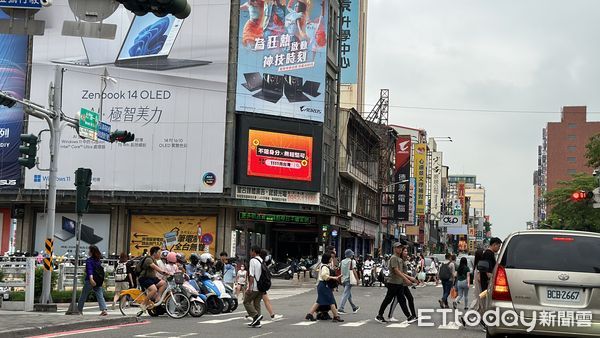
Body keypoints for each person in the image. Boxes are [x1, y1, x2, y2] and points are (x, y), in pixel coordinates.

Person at [377, 244, 418, 323]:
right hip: (393, 283)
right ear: (394, 248)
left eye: (401, 248)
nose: (400, 249)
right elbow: (396, 271)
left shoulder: (398, 258)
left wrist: (409, 278)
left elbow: (400, 272)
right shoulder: (394, 258)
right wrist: (406, 279)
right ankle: (380, 315)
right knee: (388, 299)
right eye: (398, 248)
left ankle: (409, 317)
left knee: (402, 300)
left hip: (398, 283)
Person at [305, 252, 344, 322]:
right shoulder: (325, 267)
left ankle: (310, 314)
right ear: (327, 259)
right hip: (324, 285)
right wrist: (334, 278)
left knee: (319, 301)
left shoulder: (324, 266)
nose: (331, 259)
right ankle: (336, 316)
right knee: (331, 300)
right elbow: (324, 276)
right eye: (330, 258)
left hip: (322, 285)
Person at [77, 245, 108, 315]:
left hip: (90, 280)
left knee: (83, 295)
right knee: (100, 295)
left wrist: (91, 279)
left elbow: (90, 270)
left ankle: (79, 310)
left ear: (91, 252)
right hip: (98, 281)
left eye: (89, 250)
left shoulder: (89, 261)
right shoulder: (98, 261)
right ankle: (104, 310)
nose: (88, 252)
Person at [244, 246, 264, 328]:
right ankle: (257, 322)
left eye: (251, 251)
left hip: (255, 286)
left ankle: (255, 316)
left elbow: (251, 276)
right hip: (262, 286)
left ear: (254, 252)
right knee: (256, 303)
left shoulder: (253, 260)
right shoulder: (261, 260)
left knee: (246, 302)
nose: (250, 252)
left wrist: (250, 288)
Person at [338, 249, 360, 314]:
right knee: (345, 294)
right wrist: (357, 279)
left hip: (343, 279)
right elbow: (354, 270)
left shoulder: (342, 261)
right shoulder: (352, 261)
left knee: (348, 294)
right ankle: (341, 308)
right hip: (349, 279)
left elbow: (339, 268)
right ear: (350, 255)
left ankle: (354, 307)